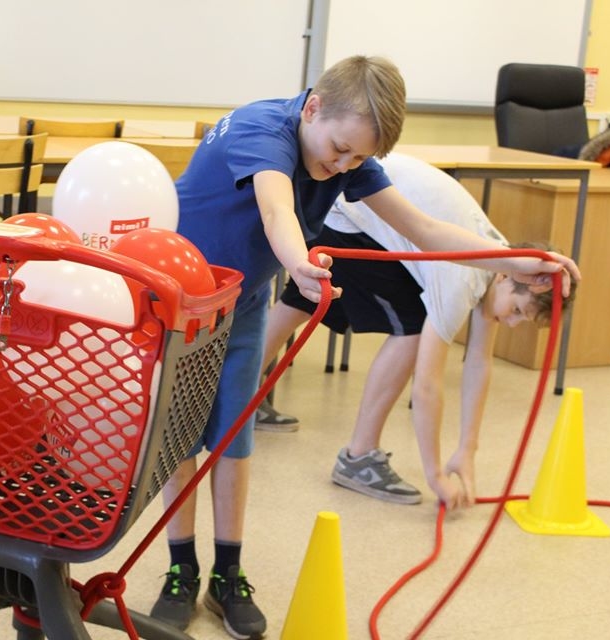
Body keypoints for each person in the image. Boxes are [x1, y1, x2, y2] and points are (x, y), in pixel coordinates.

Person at [149, 55, 580, 639]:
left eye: (359, 158)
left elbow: (425, 232)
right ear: (313, 107)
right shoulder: (261, 131)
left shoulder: (343, 155)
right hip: (188, 300)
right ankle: (181, 568)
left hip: (244, 301)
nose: (343, 167)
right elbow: (277, 208)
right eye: (339, 149)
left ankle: (227, 572)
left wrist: (519, 260)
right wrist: (298, 263)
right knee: (181, 434)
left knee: (233, 437)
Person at [257, 152, 577, 509]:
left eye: (522, 320)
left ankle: (239, 399)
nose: (513, 323)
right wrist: (435, 474)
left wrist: (466, 451)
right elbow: (426, 385)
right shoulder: (465, 280)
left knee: (302, 302)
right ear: (507, 277)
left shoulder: (500, 257)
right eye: (517, 311)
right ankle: (359, 456)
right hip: (347, 210)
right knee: (411, 329)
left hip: (344, 201)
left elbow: (478, 364)